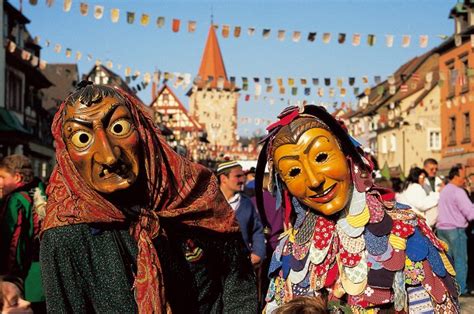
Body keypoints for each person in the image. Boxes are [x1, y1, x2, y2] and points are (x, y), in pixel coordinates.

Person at [40, 81, 258, 313]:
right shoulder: (65, 233)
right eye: (82, 139)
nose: (109, 157)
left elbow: (238, 283)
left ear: (144, 133)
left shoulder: (194, 200)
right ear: (66, 156)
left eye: (119, 127)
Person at [255, 105, 459, 312]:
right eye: (294, 171)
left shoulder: (405, 231)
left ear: (347, 155)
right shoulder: (288, 250)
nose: (314, 180)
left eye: (321, 157)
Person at [0, 154, 46, 312]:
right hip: (43, 278)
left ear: (17, 177)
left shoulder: (15, 200)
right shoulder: (40, 193)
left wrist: (8, 278)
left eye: (2, 177)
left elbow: (13, 242)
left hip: (24, 281)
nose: (0, 182)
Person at [217, 160, 266, 269]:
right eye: (237, 176)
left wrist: (258, 252)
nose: (242, 180)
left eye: (243, 176)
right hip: (215, 265)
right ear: (223, 179)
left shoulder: (246, 203)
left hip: (241, 265)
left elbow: (257, 230)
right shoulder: (211, 202)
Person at [436, 165, 474, 296]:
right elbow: (471, 213)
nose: (465, 180)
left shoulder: (445, 190)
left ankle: (447, 287)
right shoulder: (458, 192)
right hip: (455, 230)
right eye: (463, 176)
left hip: (442, 229)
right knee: (460, 261)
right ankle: (461, 289)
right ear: (456, 176)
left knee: (447, 261)